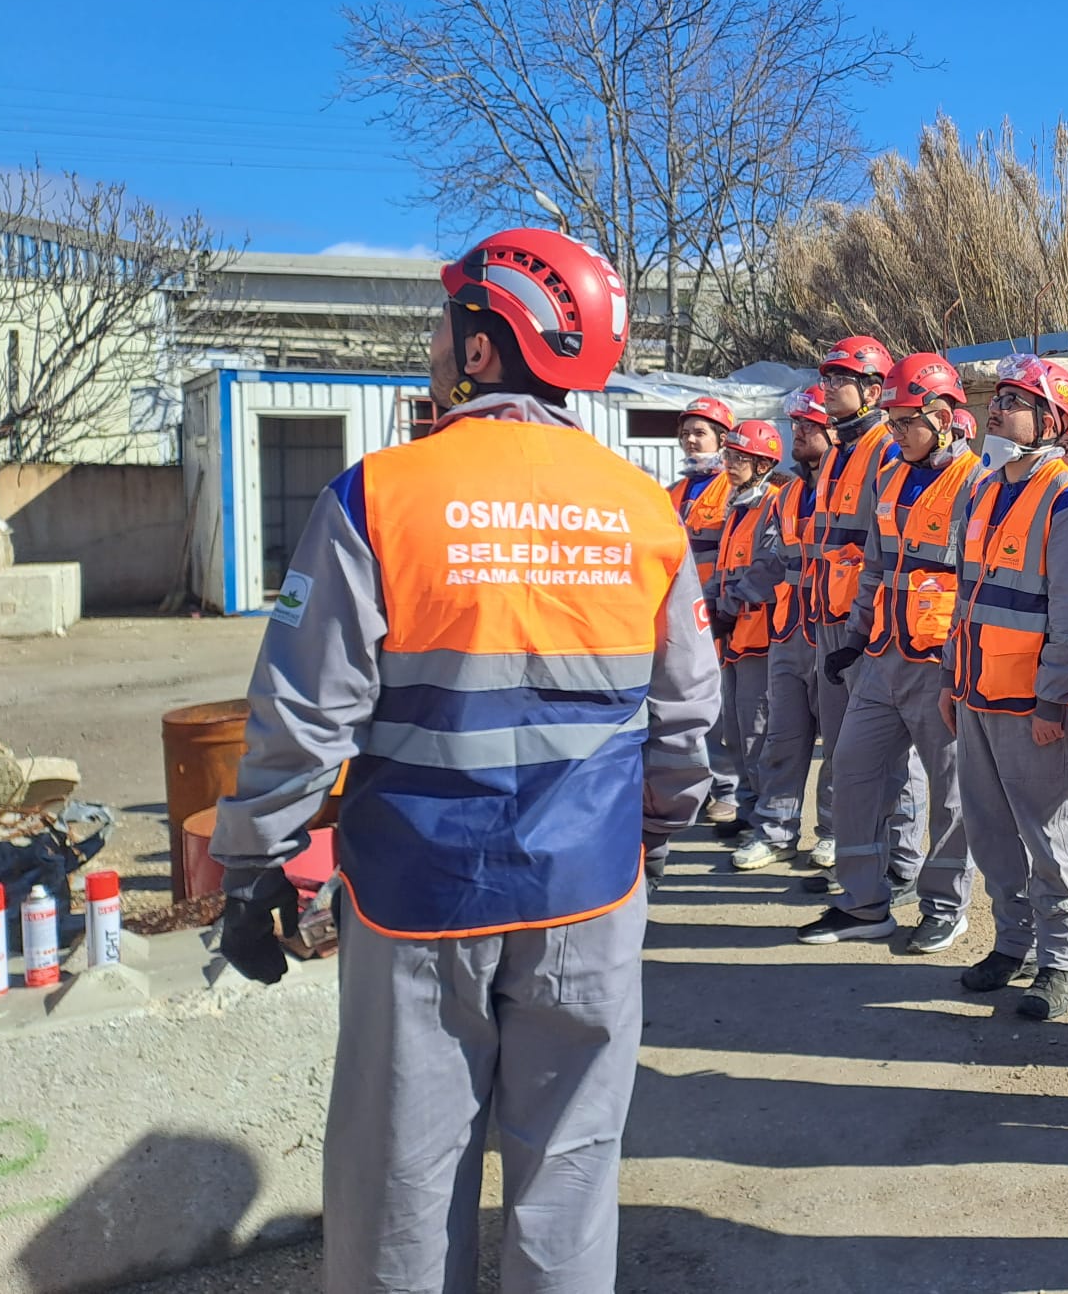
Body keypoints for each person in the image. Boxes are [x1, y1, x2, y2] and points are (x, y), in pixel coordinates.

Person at [210, 227, 719, 1293]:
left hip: (418, 894)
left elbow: (304, 713)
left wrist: (256, 861)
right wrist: (651, 843)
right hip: (589, 891)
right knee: (569, 1176)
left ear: (483, 347)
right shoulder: (642, 509)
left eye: (448, 323)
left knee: (401, 1178)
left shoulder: (379, 496)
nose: (437, 342)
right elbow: (683, 721)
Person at [942, 352, 1068, 1020]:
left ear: (1050, 421)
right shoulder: (984, 490)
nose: (998, 410)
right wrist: (951, 678)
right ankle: (1013, 942)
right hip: (976, 692)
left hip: (1032, 702)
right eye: (1000, 398)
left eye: (1015, 402)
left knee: (1049, 834)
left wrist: (1052, 700)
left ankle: (1064, 961)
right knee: (989, 829)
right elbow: (964, 597)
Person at [802, 354, 982, 950]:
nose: (897, 432)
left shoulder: (976, 484)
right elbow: (876, 569)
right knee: (854, 766)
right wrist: (855, 637)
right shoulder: (892, 475)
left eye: (907, 422)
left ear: (944, 419)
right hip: (883, 655)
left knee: (950, 790)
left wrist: (964, 661)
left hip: (940, 662)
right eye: (894, 421)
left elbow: (978, 586)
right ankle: (862, 903)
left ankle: (945, 906)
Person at [808, 334, 929, 903]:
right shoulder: (837, 450)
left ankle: (903, 863)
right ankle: (865, 860)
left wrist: (867, 625)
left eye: (840, 379)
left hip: (878, 625)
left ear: (874, 391)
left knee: (893, 755)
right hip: (837, 617)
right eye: (826, 378)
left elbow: (887, 550)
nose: (828, 388)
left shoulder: (887, 448)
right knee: (848, 749)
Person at [730, 386, 838, 868]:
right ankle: (775, 831)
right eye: (796, 424)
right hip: (790, 631)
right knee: (782, 737)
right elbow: (771, 560)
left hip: (835, 632)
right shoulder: (789, 493)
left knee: (839, 744)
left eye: (809, 425)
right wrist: (726, 601)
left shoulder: (852, 487)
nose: (799, 431)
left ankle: (834, 833)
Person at [707, 420, 787, 852]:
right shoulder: (737, 505)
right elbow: (724, 568)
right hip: (734, 636)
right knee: (736, 731)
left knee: (758, 731)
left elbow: (768, 567)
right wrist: (708, 604)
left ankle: (765, 818)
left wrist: (728, 606)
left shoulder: (772, 504)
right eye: (729, 456)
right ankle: (749, 807)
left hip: (759, 636)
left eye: (740, 458)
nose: (731, 464)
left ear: (762, 465)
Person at [670, 394, 745, 829]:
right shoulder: (676, 490)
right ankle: (696, 789)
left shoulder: (733, 488)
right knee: (683, 706)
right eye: (686, 434)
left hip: (719, 615)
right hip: (681, 615)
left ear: (722, 439)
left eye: (700, 433)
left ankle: (728, 791)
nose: (691, 441)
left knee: (722, 710)